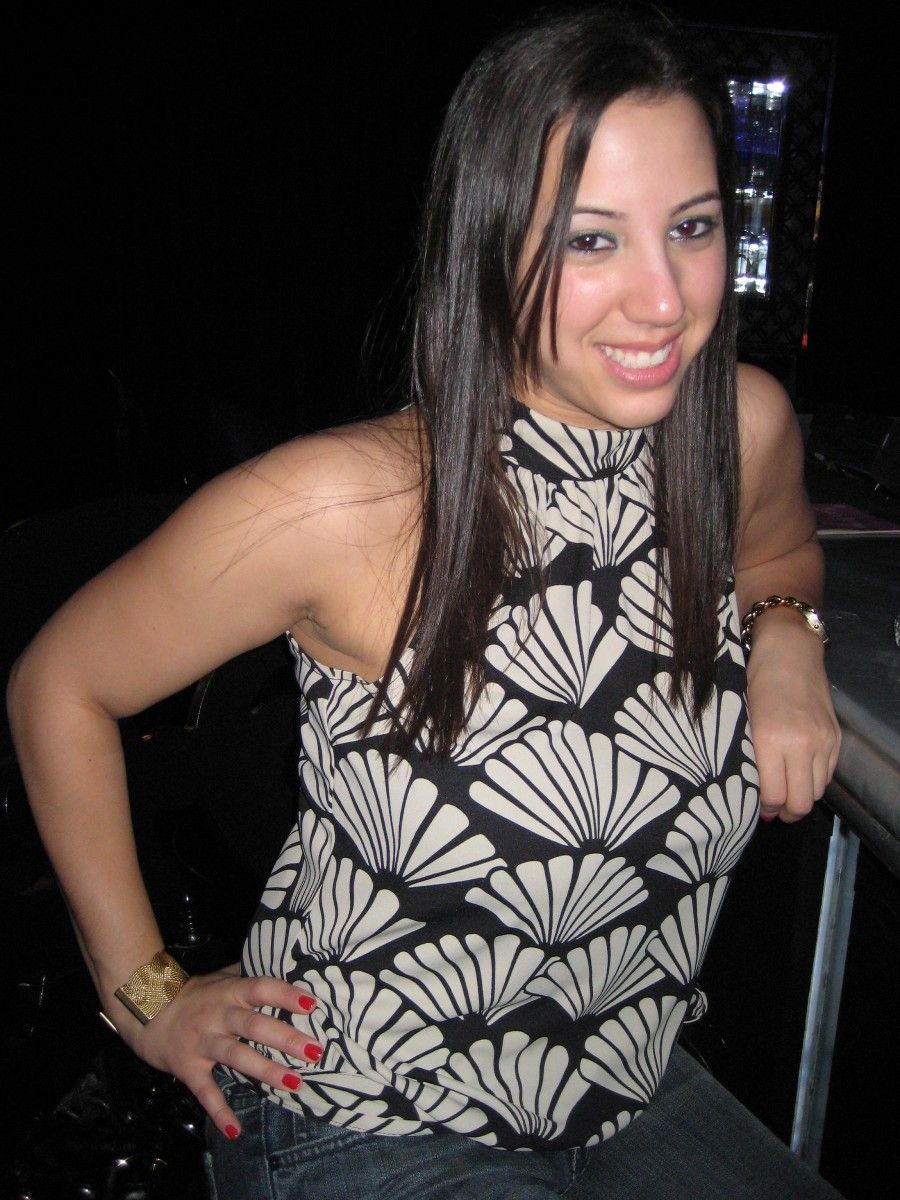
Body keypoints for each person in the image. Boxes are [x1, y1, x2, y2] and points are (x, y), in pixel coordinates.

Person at [7, 4, 842, 1197]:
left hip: (635, 1078)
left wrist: (786, 638)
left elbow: (780, 555)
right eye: (592, 240)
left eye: (692, 227)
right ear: (487, 242)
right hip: (366, 1110)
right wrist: (144, 993)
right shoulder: (343, 505)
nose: (664, 300)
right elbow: (60, 684)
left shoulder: (737, 430)